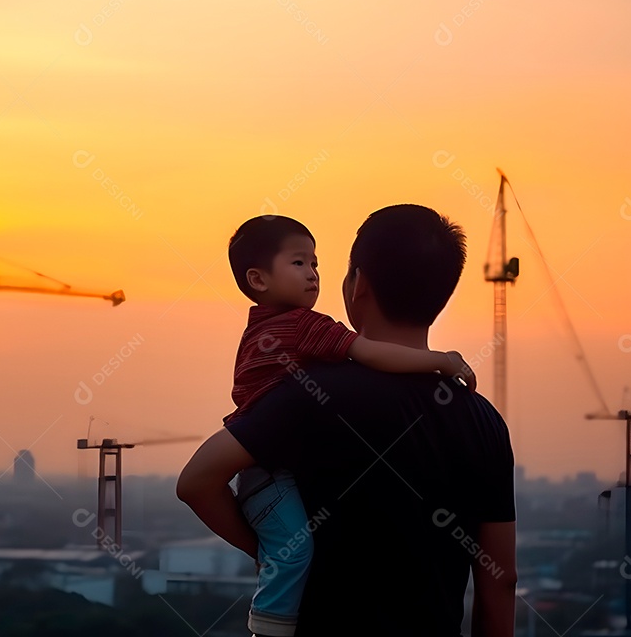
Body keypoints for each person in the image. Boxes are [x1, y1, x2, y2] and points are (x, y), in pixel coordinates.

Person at [178, 205, 516, 636]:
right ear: (443, 292)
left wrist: (270, 551)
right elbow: (502, 580)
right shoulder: (483, 419)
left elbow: (196, 482)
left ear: (358, 286)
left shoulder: (310, 393)